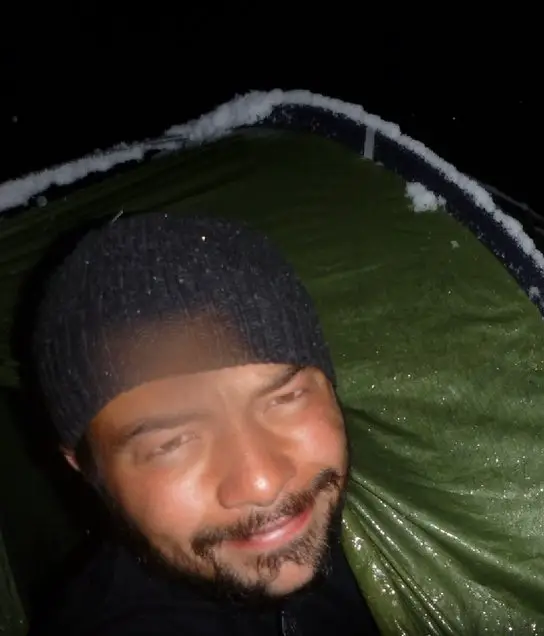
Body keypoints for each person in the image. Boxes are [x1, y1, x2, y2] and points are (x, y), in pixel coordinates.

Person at [27, 212, 380, 635]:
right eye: (173, 443)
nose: (262, 482)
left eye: (284, 398)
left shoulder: (409, 512)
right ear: (86, 468)